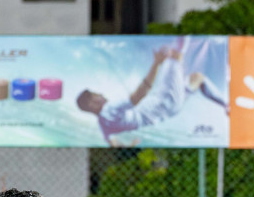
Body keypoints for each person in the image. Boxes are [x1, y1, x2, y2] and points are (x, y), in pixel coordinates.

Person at [75, 43, 228, 146]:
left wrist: (127, 146)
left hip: (169, 111)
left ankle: (228, 106)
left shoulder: (103, 124)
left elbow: (112, 143)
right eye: (97, 95)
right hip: (164, 102)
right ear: (91, 104)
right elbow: (138, 95)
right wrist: (156, 63)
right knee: (176, 55)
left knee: (198, 78)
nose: (101, 94)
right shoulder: (109, 109)